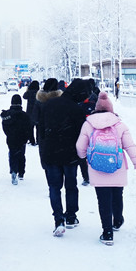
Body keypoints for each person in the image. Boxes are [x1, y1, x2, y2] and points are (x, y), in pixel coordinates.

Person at [76, 91, 136, 246]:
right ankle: (118, 220)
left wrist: (83, 157)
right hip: (117, 167)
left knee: (103, 200)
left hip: (97, 168)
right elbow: (130, 146)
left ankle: (107, 233)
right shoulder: (119, 124)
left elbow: (80, 147)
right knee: (117, 195)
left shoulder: (88, 124)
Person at [36, 78, 87, 236]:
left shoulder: (49, 105)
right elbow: (81, 135)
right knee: (71, 186)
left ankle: (58, 219)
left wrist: (44, 151)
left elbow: (42, 131)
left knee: (54, 187)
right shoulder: (77, 109)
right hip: (70, 153)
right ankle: (71, 216)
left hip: (51, 152)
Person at [0, 94, 33, 185]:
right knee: (21, 154)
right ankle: (21, 172)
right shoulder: (25, 115)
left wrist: (9, 134)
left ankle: (13, 170)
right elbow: (29, 127)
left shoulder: (7, 114)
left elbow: (4, 126)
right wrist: (28, 137)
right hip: (22, 138)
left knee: (12, 153)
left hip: (11, 138)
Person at [22, 80, 40, 145]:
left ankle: (32, 140)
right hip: (38, 111)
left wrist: (28, 89)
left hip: (29, 111)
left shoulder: (29, 92)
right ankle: (38, 140)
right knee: (38, 127)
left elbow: (24, 96)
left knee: (30, 127)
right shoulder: (39, 93)